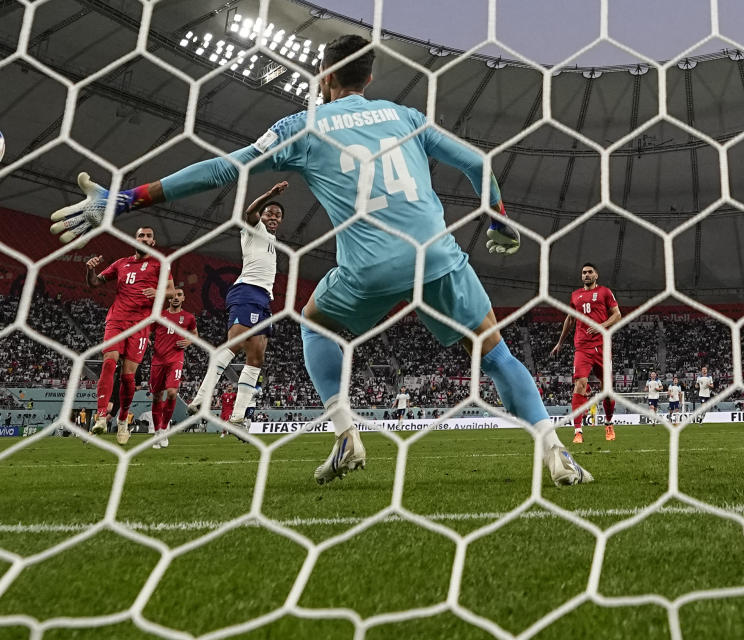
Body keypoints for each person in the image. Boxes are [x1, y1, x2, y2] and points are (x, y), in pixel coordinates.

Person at [49, 34, 592, 487]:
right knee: (494, 355)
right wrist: (496, 218)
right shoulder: (405, 115)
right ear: (369, 79)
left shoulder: (302, 128)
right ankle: (552, 449)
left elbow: (222, 170)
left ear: (324, 75)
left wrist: (125, 198)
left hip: (370, 268)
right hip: (437, 258)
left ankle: (346, 436)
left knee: (314, 326)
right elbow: (479, 163)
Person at [187, 182, 287, 432]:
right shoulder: (254, 228)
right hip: (247, 291)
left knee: (256, 356)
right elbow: (250, 212)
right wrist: (269, 194)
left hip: (264, 298)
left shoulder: (272, 240)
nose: (273, 217)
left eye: (278, 215)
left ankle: (238, 417)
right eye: (270, 212)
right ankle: (200, 398)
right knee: (235, 344)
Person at [85, 226, 175, 444]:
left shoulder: (160, 264)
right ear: (134, 240)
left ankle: (123, 421)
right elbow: (95, 283)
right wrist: (90, 270)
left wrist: (158, 292)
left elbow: (172, 291)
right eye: (140, 235)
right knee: (109, 362)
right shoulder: (120, 264)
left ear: (153, 242)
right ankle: (100, 417)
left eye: (148, 236)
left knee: (128, 377)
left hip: (140, 325)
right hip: (116, 320)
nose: (144, 238)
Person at [551, 263, 621, 443]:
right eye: (584, 272)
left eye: (590, 272)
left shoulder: (605, 292)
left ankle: (608, 423)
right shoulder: (575, 295)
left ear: (596, 275)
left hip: (603, 347)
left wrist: (601, 326)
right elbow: (569, 319)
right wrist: (560, 342)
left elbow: (617, 315)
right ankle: (578, 432)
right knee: (580, 383)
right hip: (582, 346)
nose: (586, 275)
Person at [149, 287, 197, 449]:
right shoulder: (159, 316)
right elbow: (147, 330)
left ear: (184, 298)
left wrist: (189, 341)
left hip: (175, 359)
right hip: (157, 360)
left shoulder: (189, 317)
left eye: (180, 295)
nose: (176, 297)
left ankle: (164, 428)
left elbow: (195, 334)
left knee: (171, 393)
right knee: (157, 397)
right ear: (168, 298)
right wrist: (147, 339)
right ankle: (157, 433)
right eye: (173, 295)